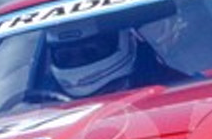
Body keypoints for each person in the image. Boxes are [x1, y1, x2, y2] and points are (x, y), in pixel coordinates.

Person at [46, 18, 185, 98]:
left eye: (91, 52)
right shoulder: (42, 105)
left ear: (126, 41)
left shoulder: (175, 89)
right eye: (65, 56)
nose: (77, 61)